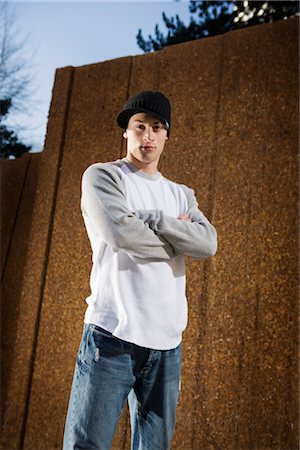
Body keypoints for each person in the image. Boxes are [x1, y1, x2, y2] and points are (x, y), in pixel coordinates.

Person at [63, 90, 217, 450]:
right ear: (126, 132)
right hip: (111, 336)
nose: (147, 136)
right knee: (88, 445)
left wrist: (154, 220)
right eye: (139, 126)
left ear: (166, 135)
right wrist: (179, 238)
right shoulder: (103, 177)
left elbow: (208, 243)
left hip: (167, 345)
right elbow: (121, 235)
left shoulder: (182, 195)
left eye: (157, 128)